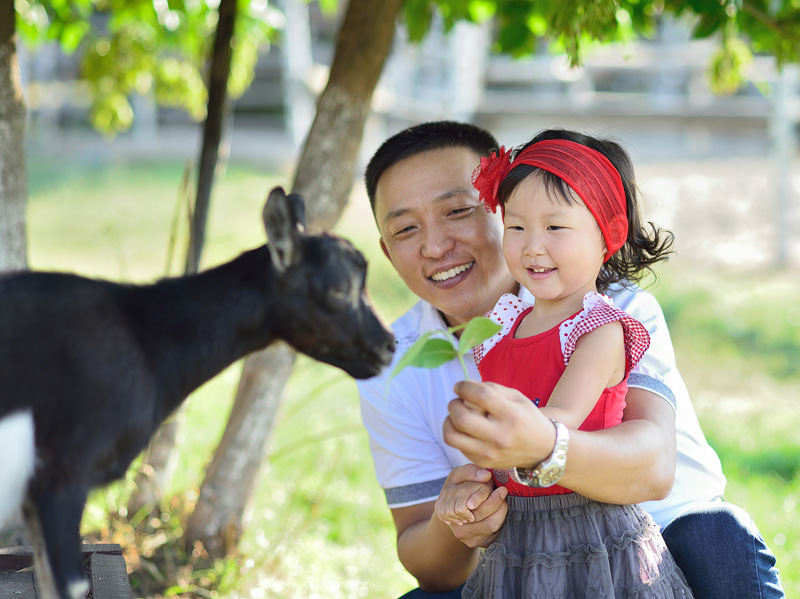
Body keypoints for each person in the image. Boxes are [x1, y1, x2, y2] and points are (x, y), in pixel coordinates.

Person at [356, 121, 784, 598]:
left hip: (662, 539)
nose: (435, 246)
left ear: (498, 209)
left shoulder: (611, 310)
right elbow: (429, 567)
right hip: (531, 555)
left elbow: (654, 467)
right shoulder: (391, 363)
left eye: (457, 211)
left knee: (718, 536)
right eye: (406, 228)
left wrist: (542, 445)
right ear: (387, 252)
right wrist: (456, 520)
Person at [435, 129, 692, 597]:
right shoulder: (501, 327)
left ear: (609, 235)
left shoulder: (600, 329)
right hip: (518, 535)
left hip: (589, 532)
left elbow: (558, 421)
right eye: (516, 227)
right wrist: (474, 489)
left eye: (555, 228)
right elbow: (498, 440)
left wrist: (499, 439)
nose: (532, 246)